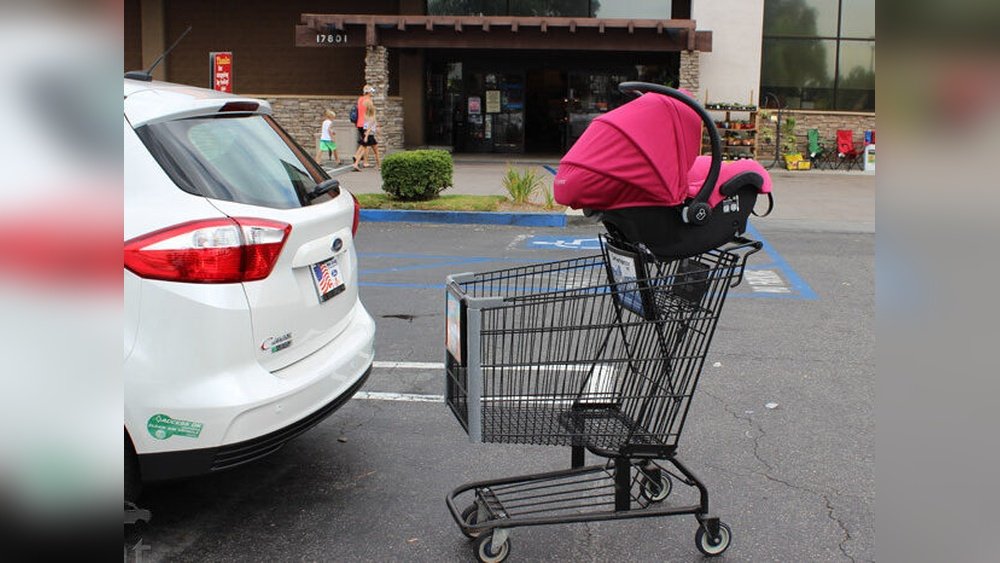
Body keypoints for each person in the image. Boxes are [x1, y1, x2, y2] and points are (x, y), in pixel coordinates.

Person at [353, 96, 381, 171]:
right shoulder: (372, 117)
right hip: (370, 136)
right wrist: (366, 137)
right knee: (376, 152)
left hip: (367, 135)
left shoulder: (366, 116)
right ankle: (379, 166)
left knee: (363, 150)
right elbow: (369, 129)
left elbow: (366, 128)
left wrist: (365, 136)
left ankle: (356, 164)